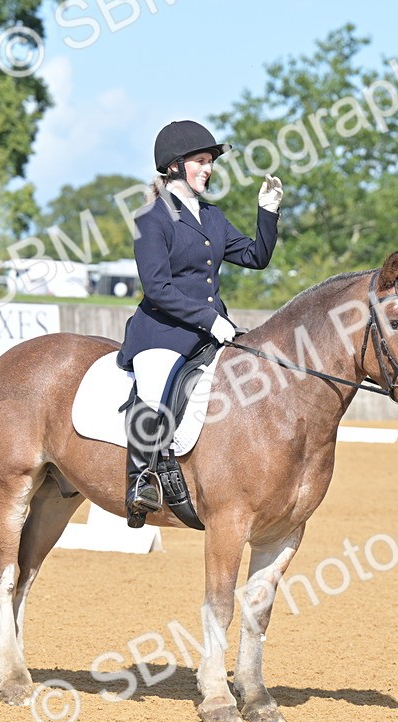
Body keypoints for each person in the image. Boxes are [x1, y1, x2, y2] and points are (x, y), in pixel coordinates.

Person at [117, 120, 283, 524]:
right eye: (201, 161)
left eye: (210, 162)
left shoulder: (212, 216)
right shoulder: (150, 218)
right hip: (163, 330)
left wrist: (268, 212)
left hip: (210, 331)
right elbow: (157, 288)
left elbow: (256, 257)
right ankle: (143, 480)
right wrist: (209, 318)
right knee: (156, 388)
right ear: (175, 166)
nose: (208, 168)